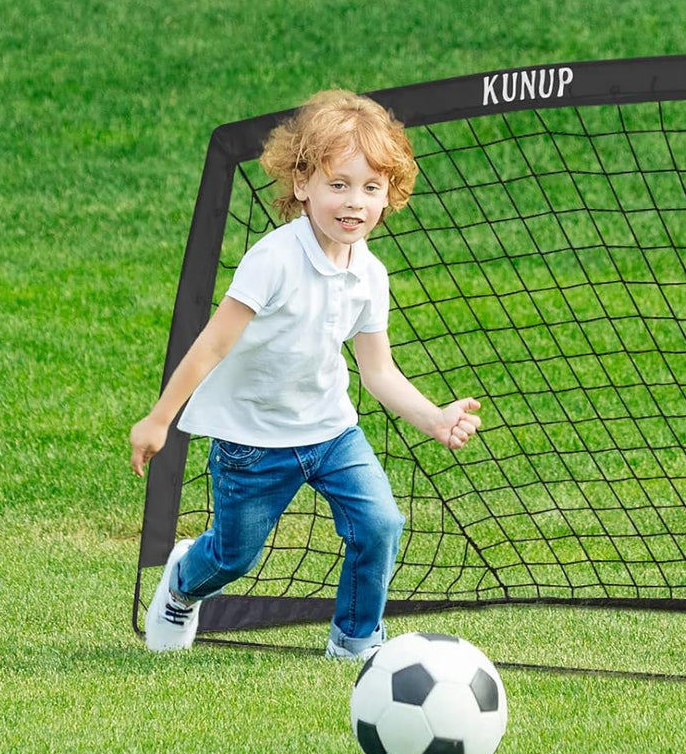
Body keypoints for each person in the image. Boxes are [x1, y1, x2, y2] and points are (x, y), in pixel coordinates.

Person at [129, 89, 481, 659]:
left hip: (330, 433)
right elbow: (211, 345)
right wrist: (158, 420)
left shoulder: (370, 274)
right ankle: (179, 587)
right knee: (232, 557)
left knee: (381, 525)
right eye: (338, 184)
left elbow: (378, 370)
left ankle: (355, 640)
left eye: (371, 188)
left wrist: (434, 418)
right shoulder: (273, 260)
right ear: (302, 185)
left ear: (390, 196)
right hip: (253, 442)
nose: (354, 202)